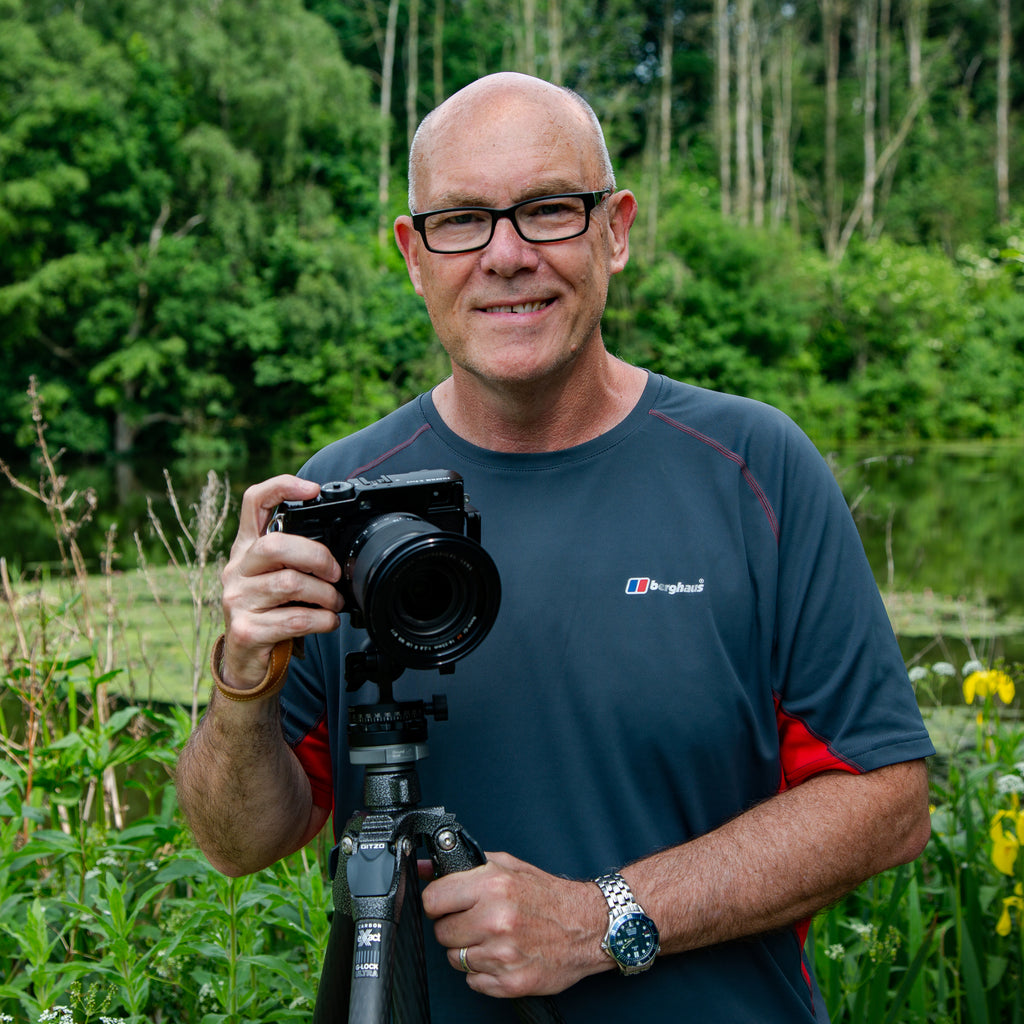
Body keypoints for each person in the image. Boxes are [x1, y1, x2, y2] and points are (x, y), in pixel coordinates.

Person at [176, 72, 934, 1022]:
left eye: (546, 211)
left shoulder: (752, 466)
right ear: (415, 255)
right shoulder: (343, 498)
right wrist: (243, 673)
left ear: (614, 229)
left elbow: (886, 799)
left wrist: (597, 919)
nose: (505, 256)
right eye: (461, 220)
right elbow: (240, 839)